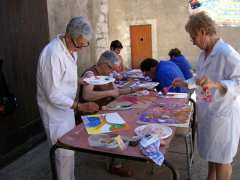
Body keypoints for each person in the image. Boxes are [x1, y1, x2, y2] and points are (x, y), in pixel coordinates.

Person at [172, 12, 240, 180]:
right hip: (208, 113)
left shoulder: (226, 52)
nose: (193, 41)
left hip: (223, 115)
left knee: (222, 160)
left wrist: (216, 84)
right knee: (211, 156)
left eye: (193, 36)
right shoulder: (203, 55)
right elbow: (200, 78)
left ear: (203, 31)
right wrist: (184, 83)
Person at [37, 17, 99, 180]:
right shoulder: (53, 54)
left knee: (68, 153)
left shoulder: (70, 50)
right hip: (55, 115)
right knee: (62, 156)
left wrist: (79, 80)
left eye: (84, 44)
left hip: (66, 110)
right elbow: (52, 93)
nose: (80, 48)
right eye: (79, 44)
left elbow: (63, 78)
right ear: (68, 35)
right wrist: (80, 106)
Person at [80, 50, 141, 177]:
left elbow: (116, 92)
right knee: (120, 129)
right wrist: (108, 93)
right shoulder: (91, 73)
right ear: (104, 64)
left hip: (105, 110)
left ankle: (123, 151)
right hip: (92, 114)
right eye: (111, 68)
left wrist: (133, 89)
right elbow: (87, 95)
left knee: (133, 116)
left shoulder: (107, 75)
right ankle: (115, 164)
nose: (112, 71)